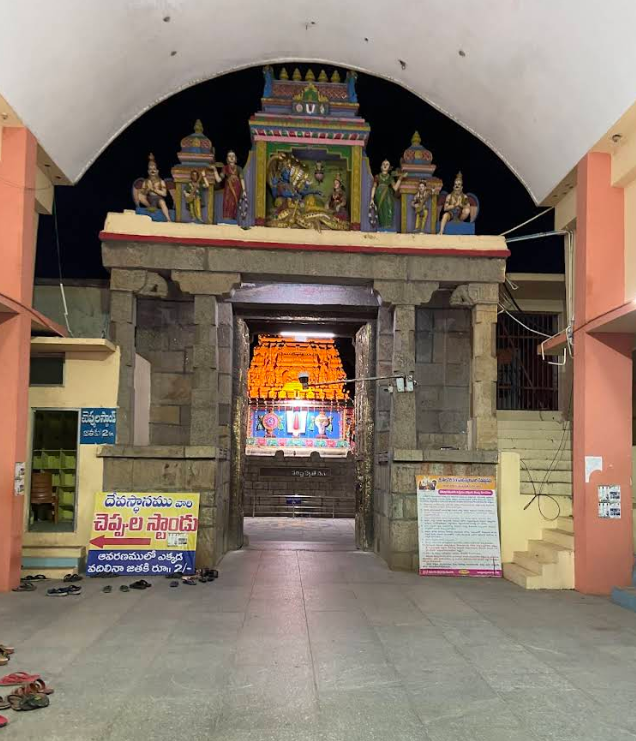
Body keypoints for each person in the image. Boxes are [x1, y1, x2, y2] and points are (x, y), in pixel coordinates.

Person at [210, 150, 246, 221]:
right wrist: (215, 170)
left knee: (233, 204)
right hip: (228, 188)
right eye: (230, 156)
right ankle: (226, 219)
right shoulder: (225, 168)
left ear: (235, 158)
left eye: (233, 156)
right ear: (227, 158)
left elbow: (242, 179)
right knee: (227, 203)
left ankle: (232, 218)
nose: (231, 158)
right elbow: (219, 180)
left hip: (237, 188)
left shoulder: (239, 168)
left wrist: (244, 190)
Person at [370, 159, 406, 230]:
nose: (385, 165)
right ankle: (382, 227)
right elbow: (374, 187)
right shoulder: (377, 176)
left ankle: (388, 227)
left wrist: (400, 179)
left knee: (389, 210)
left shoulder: (390, 177)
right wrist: (372, 198)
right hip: (379, 195)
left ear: (389, 167)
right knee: (381, 211)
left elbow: (395, 188)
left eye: (387, 164)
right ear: (381, 166)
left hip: (388, 196)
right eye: (383, 164)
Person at [137, 153, 171, 221]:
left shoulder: (161, 181)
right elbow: (143, 193)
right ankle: (150, 206)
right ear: (148, 172)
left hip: (158, 198)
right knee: (140, 196)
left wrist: (153, 190)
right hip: (149, 199)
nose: (152, 171)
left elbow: (164, 194)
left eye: (154, 169)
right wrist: (147, 190)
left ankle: (168, 218)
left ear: (157, 171)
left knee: (162, 203)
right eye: (150, 170)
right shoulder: (146, 181)